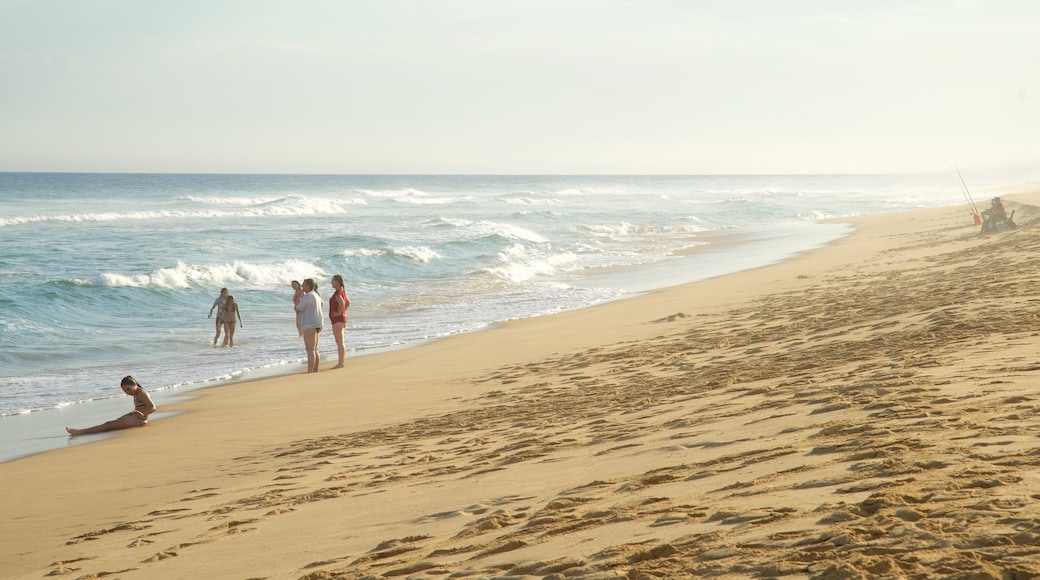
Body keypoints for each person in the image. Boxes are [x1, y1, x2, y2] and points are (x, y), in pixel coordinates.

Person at [66, 375, 156, 436]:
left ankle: (80, 432)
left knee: (108, 425)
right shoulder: (137, 392)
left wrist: (143, 414)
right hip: (135, 416)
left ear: (135, 385)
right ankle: (81, 431)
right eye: (125, 391)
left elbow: (152, 407)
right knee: (110, 424)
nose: (128, 393)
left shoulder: (142, 393)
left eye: (129, 389)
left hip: (139, 420)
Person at [294, 278, 324, 373]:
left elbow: (298, 309)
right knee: (315, 348)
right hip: (318, 322)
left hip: (309, 324)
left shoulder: (308, 296)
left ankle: (310, 371)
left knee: (310, 349)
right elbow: (322, 304)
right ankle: (315, 369)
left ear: (308, 286)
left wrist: (299, 297)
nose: (302, 286)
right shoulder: (316, 295)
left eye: (304, 284)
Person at [329, 274, 351, 369]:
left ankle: (341, 362)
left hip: (338, 320)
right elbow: (348, 302)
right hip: (340, 319)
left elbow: (342, 303)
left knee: (340, 342)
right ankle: (341, 361)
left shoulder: (338, 292)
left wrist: (338, 313)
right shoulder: (342, 291)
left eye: (332, 281)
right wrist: (342, 311)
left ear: (336, 282)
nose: (331, 283)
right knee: (341, 341)